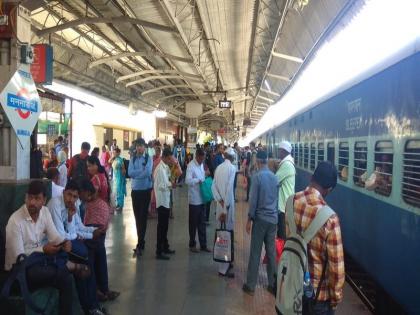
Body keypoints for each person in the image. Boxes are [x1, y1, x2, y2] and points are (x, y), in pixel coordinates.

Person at [4, 181, 87, 315]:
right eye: (29, 197)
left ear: (44, 200)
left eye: (37, 198)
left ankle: (69, 268)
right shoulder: (15, 221)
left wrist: (64, 242)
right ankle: (71, 266)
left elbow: (54, 236)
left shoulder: (45, 212)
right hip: (19, 271)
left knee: (66, 276)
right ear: (25, 197)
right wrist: (43, 250)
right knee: (63, 274)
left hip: (37, 262)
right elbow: (18, 259)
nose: (32, 202)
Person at [289, 161, 344, 314]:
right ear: (329, 189)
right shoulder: (330, 219)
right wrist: (335, 299)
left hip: (293, 286)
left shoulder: (291, 202)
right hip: (318, 298)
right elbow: (336, 268)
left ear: (312, 177)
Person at [47, 180, 106, 315]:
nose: (71, 199)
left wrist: (92, 230)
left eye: (75, 197)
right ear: (63, 192)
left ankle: (94, 301)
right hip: (58, 246)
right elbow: (61, 236)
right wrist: (89, 236)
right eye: (69, 195)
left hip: (69, 241)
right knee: (86, 260)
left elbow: (77, 227)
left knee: (93, 251)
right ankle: (91, 306)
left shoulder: (73, 206)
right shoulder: (55, 204)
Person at [242, 150, 278, 296]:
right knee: (271, 253)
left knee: (255, 252)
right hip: (273, 220)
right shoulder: (275, 177)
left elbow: (253, 201)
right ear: (267, 160)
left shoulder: (257, 177)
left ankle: (250, 285)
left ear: (257, 161)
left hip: (261, 220)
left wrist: (249, 219)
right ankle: (273, 285)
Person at [79, 180, 120, 303]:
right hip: (92, 234)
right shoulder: (86, 204)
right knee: (97, 258)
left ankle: (100, 290)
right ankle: (101, 290)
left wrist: (91, 233)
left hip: (95, 233)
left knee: (95, 260)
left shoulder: (89, 203)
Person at [211, 148, 236, 278]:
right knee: (227, 234)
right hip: (227, 207)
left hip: (220, 204)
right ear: (232, 158)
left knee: (221, 233)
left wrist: (219, 200)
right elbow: (229, 188)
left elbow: (213, 186)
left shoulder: (219, 168)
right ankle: (224, 268)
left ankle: (225, 261)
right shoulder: (232, 169)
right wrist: (225, 207)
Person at [128, 138, 153, 256]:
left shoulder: (149, 159)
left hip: (145, 192)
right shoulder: (132, 159)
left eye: (141, 146)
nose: (139, 148)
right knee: (137, 218)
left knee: (142, 218)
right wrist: (140, 172)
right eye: (137, 146)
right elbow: (129, 173)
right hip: (135, 192)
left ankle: (140, 244)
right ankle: (140, 241)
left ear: (145, 147)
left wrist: (136, 174)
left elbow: (147, 172)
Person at [185, 148, 211, 253]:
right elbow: (187, 180)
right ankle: (192, 245)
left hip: (202, 198)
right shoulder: (191, 165)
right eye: (201, 158)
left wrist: (205, 174)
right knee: (193, 224)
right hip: (194, 200)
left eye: (204, 159)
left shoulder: (201, 164)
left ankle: (203, 245)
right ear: (197, 156)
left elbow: (201, 175)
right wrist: (198, 180)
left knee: (202, 223)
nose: (202, 161)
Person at [153, 148, 177, 260]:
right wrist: (170, 184)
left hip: (166, 200)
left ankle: (165, 246)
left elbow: (168, 179)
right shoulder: (159, 169)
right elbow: (160, 186)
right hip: (162, 201)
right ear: (166, 157)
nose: (171, 160)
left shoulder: (165, 167)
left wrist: (171, 182)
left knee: (165, 226)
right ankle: (159, 251)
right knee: (161, 227)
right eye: (170, 158)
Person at [275, 141, 296, 240]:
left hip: (284, 205)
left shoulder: (287, 165)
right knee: (281, 231)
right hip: (284, 202)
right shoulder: (287, 163)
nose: (278, 152)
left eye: (279, 150)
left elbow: (275, 179)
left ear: (283, 151)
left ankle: (282, 253)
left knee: (282, 233)